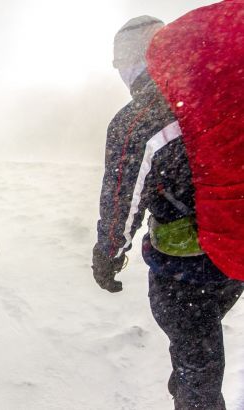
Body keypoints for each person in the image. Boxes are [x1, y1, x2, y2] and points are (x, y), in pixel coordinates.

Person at [92, 13, 244, 410]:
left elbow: (121, 200)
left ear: (130, 60)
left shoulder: (139, 119)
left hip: (184, 270)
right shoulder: (219, 93)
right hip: (233, 254)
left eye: (118, 62)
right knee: (199, 356)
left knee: (197, 367)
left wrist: (107, 255)